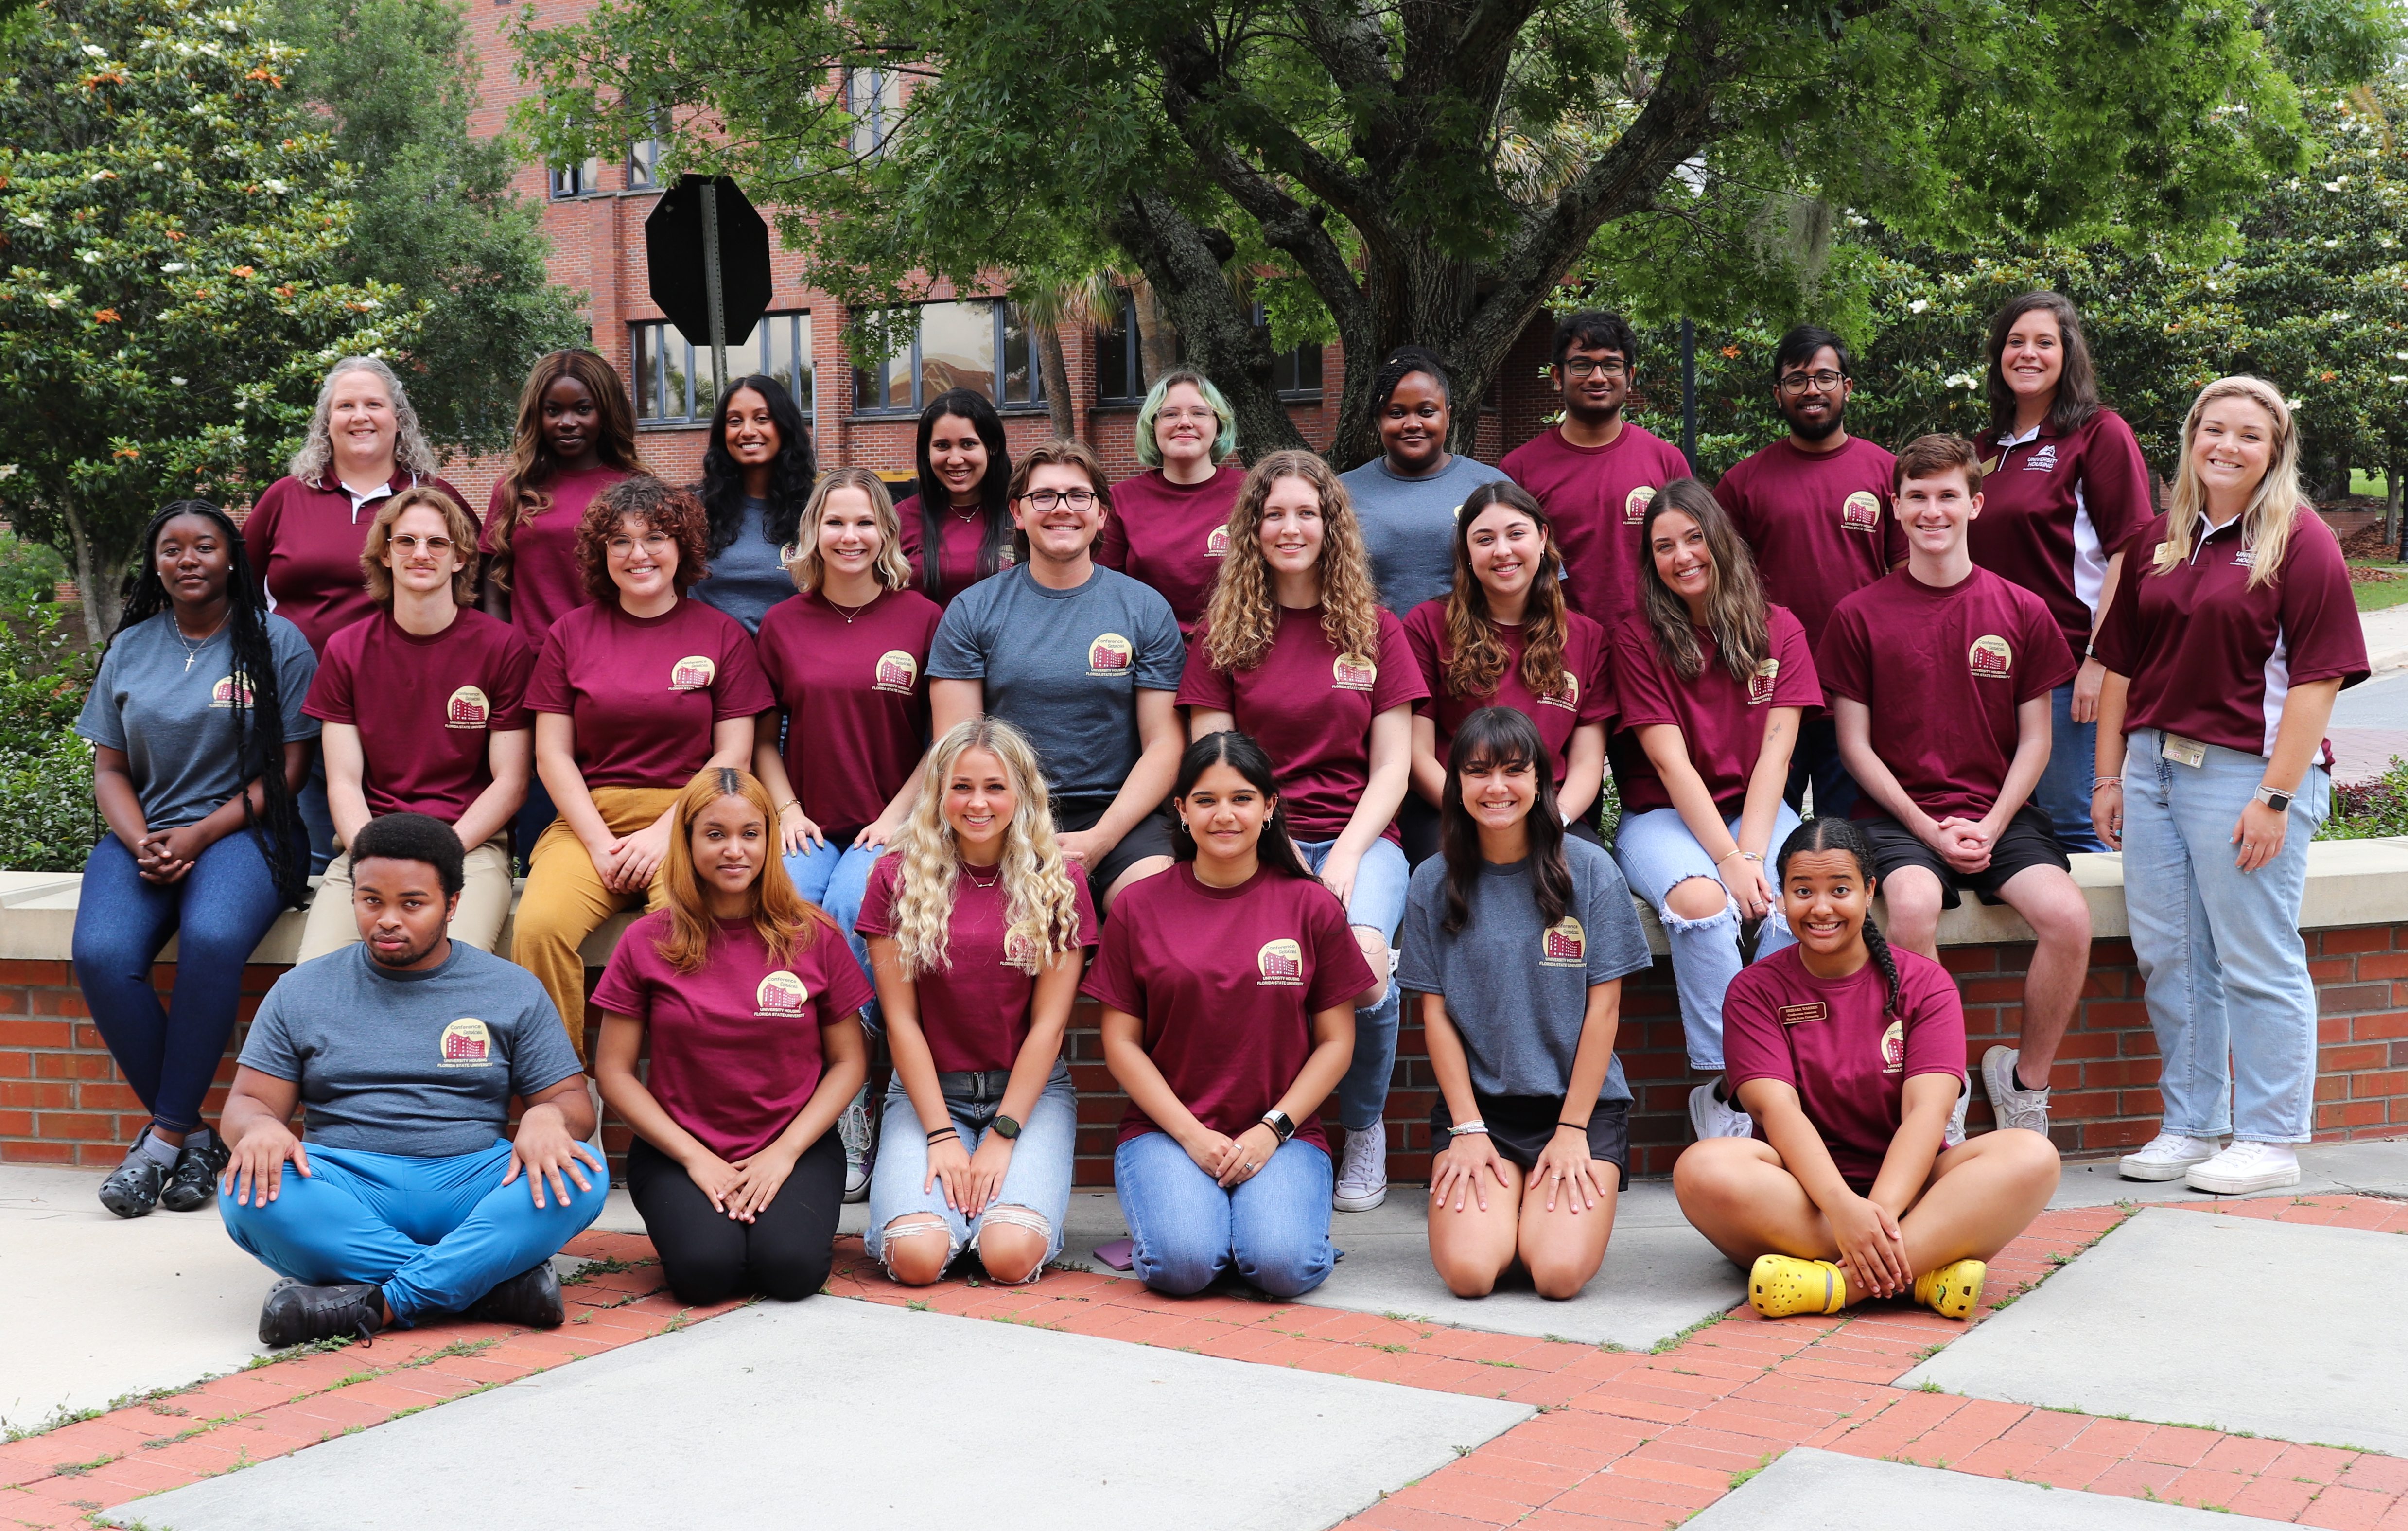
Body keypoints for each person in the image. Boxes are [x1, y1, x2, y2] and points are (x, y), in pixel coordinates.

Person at [2094, 376, 2367, 1194]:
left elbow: (2316, 681)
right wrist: (2108, 772)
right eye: (2213, 430)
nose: (2227, 446)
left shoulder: (2297, 538)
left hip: (2244, 774)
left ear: (2274, 448)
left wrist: (2275, 797)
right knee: (2169, 957)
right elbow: (2117, 665)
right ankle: (2188, 1122)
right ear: (2189, 437)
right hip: (2150, 771)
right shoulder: (2158, 536)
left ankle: (2268, 1134)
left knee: (2254, 957)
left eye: (2249, 434)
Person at [216, 813, 604, 1346]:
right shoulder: (300, 990)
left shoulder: (511, 989)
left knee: (587, 1171)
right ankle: (484, 1284)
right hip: (346, 1184)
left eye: (412, 903)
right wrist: (258, 1127)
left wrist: (546, 1116)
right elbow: (247, 1104)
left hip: (470, 1182)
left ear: (452, 903)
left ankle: (383, 1302)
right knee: (245, 1189)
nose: (388, 919)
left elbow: (573, 1105)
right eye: (371, 900)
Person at [1673, 817, 2061, 1322]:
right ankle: (1921, 1267)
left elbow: (1927, 1111)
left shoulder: (1926, 983)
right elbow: (1777, 1110)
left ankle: (1836, 1284)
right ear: (1782, 896)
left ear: (1869, 890)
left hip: (1916, 1191)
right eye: (1802, 890)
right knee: (1702, 1168)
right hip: (1804, 1197)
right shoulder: (1754, 989)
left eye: (1840, 889)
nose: (1821, 907)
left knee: (2031, 1153)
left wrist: (1877, 1210)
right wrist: (1843, 1209)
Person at [1819, 434, 2091, 1137]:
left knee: (2067, 918)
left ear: (1974, 503)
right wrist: (1926, 828)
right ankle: (1937, 1090)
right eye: (1916, 497)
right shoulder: (1858, 614)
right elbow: (1853, 745)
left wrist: (1993, 825)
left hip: (1999, 814)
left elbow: (2037, 739)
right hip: (1895, 817)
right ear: (1895, 506)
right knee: (1908, 907)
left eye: (1946, 496)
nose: (1931, 511)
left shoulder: (2021, 609)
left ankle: (2022, 1081)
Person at [1180, 449, 1423, 1213]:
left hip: (1359, 839)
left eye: (1306, 513)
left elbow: (1394, 766)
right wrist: (1276, 854)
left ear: (1331, 525)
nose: (1291, 527)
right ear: (1253, 527)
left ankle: (1365, 1125)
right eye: (1275, 513)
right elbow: (1213, 768)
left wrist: (1347, 852)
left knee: (1369, 974)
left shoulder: (1375, 629)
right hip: (1254, 841)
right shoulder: (1222, 633)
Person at [76, 502, 317, 1220]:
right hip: (145, 833)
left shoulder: (276, 641)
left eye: (204, 546)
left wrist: (201, 834)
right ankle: (196, 1139)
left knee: (211, 940)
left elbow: (292, 766)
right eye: (172, 548)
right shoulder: (131, 646)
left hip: (250, 829)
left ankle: (164, 1139)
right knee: (100, 951)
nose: (187, 559)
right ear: (155, 562)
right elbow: (110, 767)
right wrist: (140, 837)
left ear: (232, 557)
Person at [1085, 731, 1371, 1298]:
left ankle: (1253, 1234)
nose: (1224, 814)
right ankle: (1202, 1232)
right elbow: (1119, 1042)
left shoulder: (1311, 905)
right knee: (1183, 1267)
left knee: (1282, 1267)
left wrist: (1272, 1129)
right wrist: (1191, 1136)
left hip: (1282, 1133)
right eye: (1206, 799)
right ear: (1182, 811)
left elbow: (1337, 1041)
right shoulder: (1138, 907)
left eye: (1242, 798)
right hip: (1168, 1131)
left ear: (1269, 807)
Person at [511, 478, 773, 1053]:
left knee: (688, 932)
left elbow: (734, 754)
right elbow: (552, 753)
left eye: (655, 537)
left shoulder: (722, 635)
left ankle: (683, 1083)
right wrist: (602, 845)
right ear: (601, 555)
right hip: (590, 821)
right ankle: (562, 1091)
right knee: (536, 927)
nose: (639, 554)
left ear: (682, 547)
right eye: (620, 542)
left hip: (689, 818)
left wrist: (666, 834)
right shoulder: (570, 633)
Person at [591, 769, 871, 1305]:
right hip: (680, 1148)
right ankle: (716, 1224)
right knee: (704, 1273)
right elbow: (614, 1072)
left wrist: (784, 1153)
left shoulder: (813, 935)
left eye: (750, 832)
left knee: (789, 1269)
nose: (734, 850)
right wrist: (697, 1158)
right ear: (688, 840)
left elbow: (849, 1063)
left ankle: (771, 1223)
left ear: (770, 838)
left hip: (796, 1143)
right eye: (715, 834)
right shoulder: (646, 940)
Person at [1403, 709, 1652, 1302]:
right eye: (1478, 771)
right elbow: (1434, 1015)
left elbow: (1604, 1013)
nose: (1497, 787)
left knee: (1558, 1275)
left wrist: (1572, 1130)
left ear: (1541, 780)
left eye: (1515, 770)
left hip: (1577, 1110)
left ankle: (1533, 1212)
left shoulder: (1589, 869)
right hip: (1479, 1111)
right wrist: (1466, 1128)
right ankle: (1510, 1204)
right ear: (1456, 784)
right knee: (1469, 1274)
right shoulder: (1431, 881)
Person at [753, 467, 943, 1200]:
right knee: (784, 913)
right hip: (808, 821)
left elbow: (944, 739)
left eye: (865, 523)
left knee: (857, 912)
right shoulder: (782, 624)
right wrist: (788, 808)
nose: (850, 537)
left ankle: (855, 1097)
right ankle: (794, 1089)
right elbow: (762, 736)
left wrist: (897, 817)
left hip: (892, 825)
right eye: (835, 523)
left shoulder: (921, 619)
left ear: (887, 536)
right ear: (813, 534)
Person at [1609, 478, 1816, 1144]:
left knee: (1794, 899)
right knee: (1701, 903)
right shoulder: (1637, 638)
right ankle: (1726, 1088)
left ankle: (1774, 1080)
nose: (1682, 556)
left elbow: (1775, 758)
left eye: (1694, 538)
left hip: (1754, 806)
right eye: (1663, 546)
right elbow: (1669, 766)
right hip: (1664, 813)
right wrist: (1726, 862)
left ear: (1719, 541)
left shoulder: (1779, 628)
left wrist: (1751, 855)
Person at [858, 718, 1096, 1285]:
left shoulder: (1059, 880)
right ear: (938, 792)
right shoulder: (896, 877)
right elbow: (901, 1023)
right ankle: (951, 1216)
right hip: (928, 1093)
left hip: (1028, 1094)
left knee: (1008, 1256)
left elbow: (1049, 1027)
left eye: (994, 786)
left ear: (1022, 793)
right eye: (961, 786)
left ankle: (983, 1217)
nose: (978, 802)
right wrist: (941, 1135)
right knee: (917, 1258)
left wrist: (1004, 1132)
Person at [928, 439, 1185, 910]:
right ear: (1018, 513)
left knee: (1155, 909)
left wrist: (1101, 839)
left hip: (1120, 816)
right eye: (1043, 496)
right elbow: (959, 749)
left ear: (1102, 513)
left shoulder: (1144, 608)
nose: (1061, 509)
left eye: (1078, 496)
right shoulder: (972, 611)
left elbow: (1165, 744)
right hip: (1005, 813)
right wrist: (1019, 837)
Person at [242, 356, 465, 868]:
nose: (360, 416)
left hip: (408, 709)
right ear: (327, 421)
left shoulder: (431, 498)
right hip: (300, 707)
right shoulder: (285, 498)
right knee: (317, 854)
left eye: (374, 404)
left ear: (398, 418)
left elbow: (471, 588)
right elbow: (243, 595)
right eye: (346, 405)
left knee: (407, 852)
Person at [297, 486, 533, 961]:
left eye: (437, 543)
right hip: (370, 846)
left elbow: (511, 781)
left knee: (448, 974)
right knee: (314, 977)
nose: (420, 553)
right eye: (405, 541)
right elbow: (342, 781)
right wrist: (371, 856)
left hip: (468, 848)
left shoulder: (502, 647)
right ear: (384, 554)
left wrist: (441, 850)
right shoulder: (346, 650)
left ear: (461, 558)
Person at [1968, 292, 2153, 853]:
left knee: (2073, 827)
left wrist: (2100, 659)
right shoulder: (1984, 449)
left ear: (2067, 354)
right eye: (2015, 342)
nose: (2027, 354)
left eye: (2044, 342)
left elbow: (2130, 551)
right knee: (2006, 824)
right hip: (1990, 667)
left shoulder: (2098, 434)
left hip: (2069, 670)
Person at [1713, 326, 1902, 817]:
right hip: (1770, 692)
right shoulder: (1742, 482)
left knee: (1855, 838)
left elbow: (1908, 578)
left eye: (1824, 376)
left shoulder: (1888, 473)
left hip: (1860, 691)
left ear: (1847, 386)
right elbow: (1721, 587)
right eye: (1797, 379)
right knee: (1764, 831)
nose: (1812, 389)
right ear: (1778, 393)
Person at [478, 349, 651, 870]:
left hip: (613, 673)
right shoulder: (515, 491)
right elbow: (493, 585)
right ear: (537, 414)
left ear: (606, 412)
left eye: (582, 408)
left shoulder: (633, 488)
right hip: (532, 677)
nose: (567, 422)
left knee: (611, 793)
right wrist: (501, 657)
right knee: (539, 805)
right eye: (554, 410)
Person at [1403, 481, 1612, 862]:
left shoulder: (1587, 637)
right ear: (1466, 551)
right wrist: (1478, 815)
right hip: (1448, 810)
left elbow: (1586, 763)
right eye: (1484, 539)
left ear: (1542, 537)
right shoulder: (1427, 626)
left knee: (1590, 875)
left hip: (1548, 811)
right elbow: (1417, 756)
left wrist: (1554, 819)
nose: (1502, 551)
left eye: (1516, 534)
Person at [1500, 311, 1693, 630]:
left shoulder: (1667, 462)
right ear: (1558, 376)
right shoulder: (1518, 470)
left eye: (1611, 364)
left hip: (1654, 646)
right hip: (1555, 647)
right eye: (1582, 364)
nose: (1598, 377)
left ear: (1630, 376)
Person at [1339, 346, 1511, 618]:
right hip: (1372, 651)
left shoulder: (1491, 487)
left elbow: (1532, 580)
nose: (1412, 424)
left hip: (1474, 651)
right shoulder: (1341, 493)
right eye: (1396, 413)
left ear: (1449, 415)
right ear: (1379, 420)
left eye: (1427, 412)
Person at [1097, 369, 1248, 638]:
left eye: (1200, 413)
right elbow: (1107, 592)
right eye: (1170, 414)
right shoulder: (1121, 500)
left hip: (1236, 652)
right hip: (1151, 656)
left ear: (1219, 425)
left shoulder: (1253, 493)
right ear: (1152, 426)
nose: (1185, 422)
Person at [689, 374, 817, 634]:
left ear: (784, 426)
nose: (747, 431)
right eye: (735, 421)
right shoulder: (693, 510)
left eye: (762, 418)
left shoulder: (817, 510)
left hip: (790, 665)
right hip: (712, 663)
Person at [895, 388, 1016, 609]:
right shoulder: (898, 520)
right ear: (927, 451)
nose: (955, 459)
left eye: (968, 444)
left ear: (993, 447)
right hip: (927, 643)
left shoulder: (1023, 514)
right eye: (942, 446)